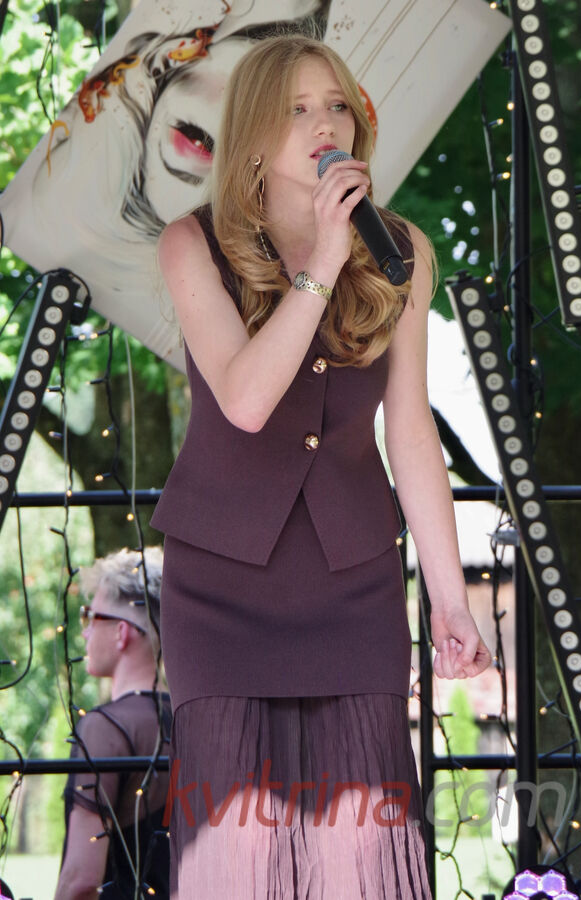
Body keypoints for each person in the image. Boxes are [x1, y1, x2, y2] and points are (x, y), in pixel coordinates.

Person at [151, 34, 492, 899]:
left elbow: (409, 432)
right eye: (297, 109)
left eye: (335, 105)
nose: (323, 123)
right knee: (236, 856)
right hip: (222, 593)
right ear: (254, 132)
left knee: (362, 859)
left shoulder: (401, 249)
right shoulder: (194, 244)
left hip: (354, 589)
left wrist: (450, 599)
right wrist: (322, 266)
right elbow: (246, 400)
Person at [54, 547, 172, 900]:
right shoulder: (200, 722)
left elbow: (81, 881)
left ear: (122, 632)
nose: (85, 633)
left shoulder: (104, 729)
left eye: (91, 616)